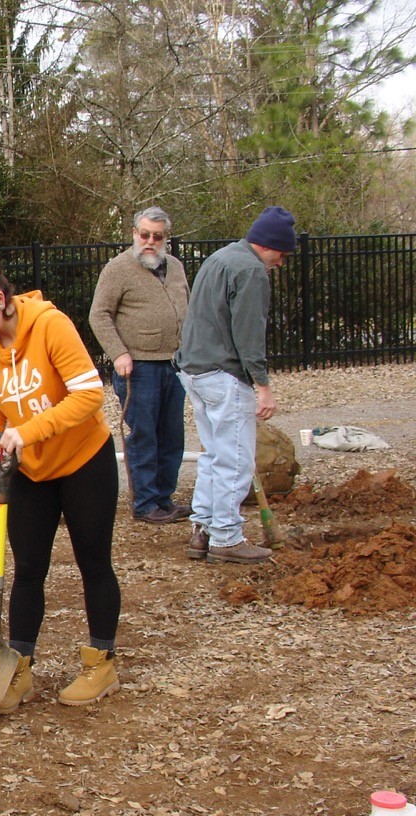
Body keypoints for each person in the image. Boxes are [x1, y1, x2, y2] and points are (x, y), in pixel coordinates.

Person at [0, 248, 121, 712]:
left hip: (85, 461)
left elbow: (89, 395)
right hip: (29, 472)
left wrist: (25, 432)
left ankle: (101, 663)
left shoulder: (50, 325)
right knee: (28, 572)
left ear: (0, 299)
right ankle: (17, 668)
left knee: (93, 563)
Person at [174, 205, 296, 564]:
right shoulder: (250, 271)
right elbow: (249, 333)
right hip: (224, 375)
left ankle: (203, 530)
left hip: (195, 372)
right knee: (236, 459)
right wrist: (262, 384)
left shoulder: (220, 258)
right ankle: (226, 537)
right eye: (282, 254)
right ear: (270, 245)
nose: (281, 263)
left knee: (213, 455)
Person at [89, 206, 191, 523]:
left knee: (172, 436)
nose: (150, 241)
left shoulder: (175, 267)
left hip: (174, 364)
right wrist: (119, 353)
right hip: (138, 367)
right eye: (144, 234)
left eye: (157, 236)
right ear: (135, 234)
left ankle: (164, 497)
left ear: (165, 238)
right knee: (143, 435)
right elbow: (99, 314)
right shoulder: (118, 269)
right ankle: (146, 503)